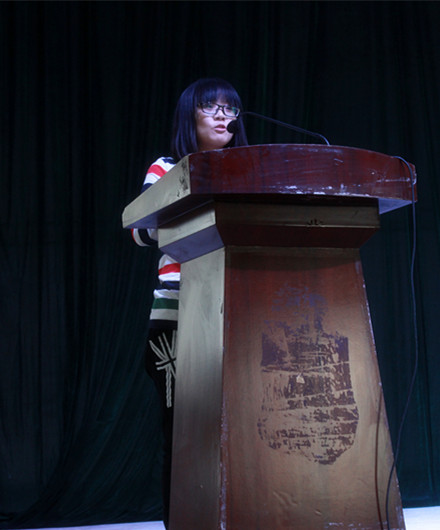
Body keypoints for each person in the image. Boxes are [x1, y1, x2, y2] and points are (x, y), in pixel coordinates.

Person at [131, 78, 248, 527]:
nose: (222, 116)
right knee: (183, 434)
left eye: (230, 109)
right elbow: (141, 232)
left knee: (238, 428)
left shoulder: (248, 168)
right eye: (210, 107)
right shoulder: (166, 167)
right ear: (189, 115)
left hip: (236, 311)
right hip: (176, 319)